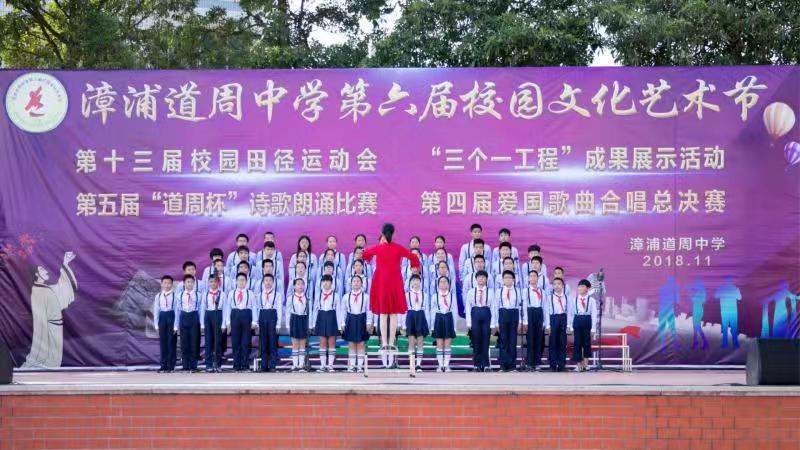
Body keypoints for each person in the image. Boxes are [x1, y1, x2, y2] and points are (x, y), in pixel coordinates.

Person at [362, 223, 421, 359]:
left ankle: (384, 343)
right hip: (394, 282)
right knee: (393, 313)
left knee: (383, 314)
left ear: (382, 234)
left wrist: (368, 256)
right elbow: (413, 256)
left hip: (381, 282)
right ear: (393, 233)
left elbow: (365, 255)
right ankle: (391, 343)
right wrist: (414, 267)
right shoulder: (398, 248)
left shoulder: (378, 248)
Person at [340, 275, 373, 373]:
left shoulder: (366, 297)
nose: (356, 283)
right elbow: (343, 311)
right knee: (351, 344)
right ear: (351, 283)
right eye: (354, 281)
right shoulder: (346, 297)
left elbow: (369, 310)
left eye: (358, 281)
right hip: (350, 319)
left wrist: (369, 322)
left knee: (361, 344)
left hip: (361, 319)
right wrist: (342, 323)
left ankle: (359, 366)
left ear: (361, 283)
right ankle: (352, 366)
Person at [224, 273, 256, 372]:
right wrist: (228, 322)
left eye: (243, 280)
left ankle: (245, 364)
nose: (241, 282)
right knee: (235, 341)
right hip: (235, 315)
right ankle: (236, 364)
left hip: (246, 315)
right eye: (239, 280)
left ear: (246, 282)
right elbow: (228, 307)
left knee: (246, 342)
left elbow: (254, 307)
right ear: (236, 281)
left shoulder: (250, 293)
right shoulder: (231, 293)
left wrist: (254, 321)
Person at [465, 270, 494, 372]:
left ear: (486, 279)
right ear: (476, 279)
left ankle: (486, 365)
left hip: (486, 313)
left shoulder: (490, 292)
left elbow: (493, 308)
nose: (481, 279)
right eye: (479, 277)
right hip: (475, 313)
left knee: (486, 340)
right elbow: (468, 307)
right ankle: (477, 364)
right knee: (476, 340)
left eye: (483, 277)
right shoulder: (471, 292)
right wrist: (469, 322)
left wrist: (493, 323)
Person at [312, 274, 341, 372]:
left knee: (332, 342)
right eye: (324, 281)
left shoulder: (336, 296)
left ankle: (330, 365)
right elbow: (315, 310)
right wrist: (313, 324)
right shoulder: (318, 295)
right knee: (322, 342)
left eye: (328, 281)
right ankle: (323, 365)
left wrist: (340, 325)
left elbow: (338, 311)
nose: (325, 283)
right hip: (321, 317)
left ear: (331, 283)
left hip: (332, 317)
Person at [494, 270, 522, 372]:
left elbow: (520, 307)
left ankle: (512, 366)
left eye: (510, 278)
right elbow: (495, 307)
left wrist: (520, 321)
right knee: (503, 341)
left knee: (512, 341)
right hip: (503, 314)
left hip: (514, 314)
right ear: (503, 280)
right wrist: (496, 322)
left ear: (513, 280)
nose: (508, 280)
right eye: (506, 278)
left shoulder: (518, 291)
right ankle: (503, 365)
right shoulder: (499, 291)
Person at [402, 274, 429, 373]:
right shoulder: (407, 295)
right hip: (411, 316)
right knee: (411, 342)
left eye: (417, 280)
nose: (416, 282)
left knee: (420, 342)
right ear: (411, 283)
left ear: (420, 282)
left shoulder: (424, 295)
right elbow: (404, 310)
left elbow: (426, 309)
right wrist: (403, 324)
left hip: (421, 316)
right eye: (414, 280)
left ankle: (418, 364)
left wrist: (428, 323)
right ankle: (412, 364)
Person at [569, 279, 598, 372]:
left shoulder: (591, 300)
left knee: (586, 343)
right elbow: (571, 314)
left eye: (582, 286)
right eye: (579, 286)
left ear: (587, 288)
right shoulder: (574, 299)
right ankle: (578, 365)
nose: (580, 288)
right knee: (577, 343)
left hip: (587, 320)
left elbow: (594, 314)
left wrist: (593, 328)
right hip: (577, 319)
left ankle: (585, 364)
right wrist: (570, 326)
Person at [256, 273, 282, 372]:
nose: (268, 282)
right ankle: (264, 365)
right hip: (262, 316)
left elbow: (279, 309)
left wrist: (278, 324)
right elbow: (257, 309)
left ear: (273, 282)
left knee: (272, 342)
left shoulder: (277, 295)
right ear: (263, 282)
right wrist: (257, 323)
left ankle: (272, 365)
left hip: (272, 316)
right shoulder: (259, 295)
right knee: (263, 342)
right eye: (266, 280)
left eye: (270, 280)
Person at [431, 276, 457, 372]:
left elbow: (455, 310)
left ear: (448, 284)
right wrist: (432, 325)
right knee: (439, 343)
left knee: (447, 343)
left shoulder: (452, 296)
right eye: (441, 282)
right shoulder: (435, 296)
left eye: (445, 282)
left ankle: (446, 365)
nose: (443, 283)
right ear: (438, 285)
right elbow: (432, 311)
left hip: (449, 317)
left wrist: (454, 326)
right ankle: (440, 365)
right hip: (438, 318)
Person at [175, 274, 201, 372]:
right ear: (184, 283)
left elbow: (201, 309)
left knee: (194, 342)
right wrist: (176, 325)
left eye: (191, 282)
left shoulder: (198, 295)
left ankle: (194, 365)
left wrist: (201, 323)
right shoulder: (179, 295)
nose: (190, 284)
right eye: (188, 282)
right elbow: (177, 310)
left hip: (194, 316)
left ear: (194, 283)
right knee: (184, 342)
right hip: (183, 317)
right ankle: (185, 365)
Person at [199, 274, 224, 373]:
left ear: (218, 283)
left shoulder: (222, 294)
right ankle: (208, 364)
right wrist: (202, 323)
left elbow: (225, 308)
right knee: (208, 341)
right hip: (208, 315)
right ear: (208, 282)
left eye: (215, 281)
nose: (213, 283)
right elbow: (202, 308)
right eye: (211, 281)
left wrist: (224, 323)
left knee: (218, 341)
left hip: (218, 314)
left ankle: (218, 364)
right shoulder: (205, 294)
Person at [153, 275, 177, 373]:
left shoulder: (175, 295)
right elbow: (156, 310)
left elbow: (177, 311)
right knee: (163, 343)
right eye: (165, 283)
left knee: (171, 342)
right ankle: (163, 365)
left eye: (169, 283)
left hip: (171, 316)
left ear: (172, 284)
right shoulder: (158, 296)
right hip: (162, 317)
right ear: (161, 284)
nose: (167, 285)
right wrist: (156, 325)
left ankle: (171, 366)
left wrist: (175, 326)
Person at [523, 270, 546, 371]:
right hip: (530, 313)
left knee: (538, 339)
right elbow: (524, 306)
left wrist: (545, 322)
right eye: (531, 276)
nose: (533, 278)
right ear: (528, 279)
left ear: (537, 278)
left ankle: (537, 362)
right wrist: (525, 321)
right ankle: (529, 362)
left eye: (534, 276)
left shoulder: (542, 292)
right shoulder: (525, 291)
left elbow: (545, 307)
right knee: (530, 339)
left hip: (539, 313)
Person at [286, 278, 311, 372]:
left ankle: (301, 365)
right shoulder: (290, 298)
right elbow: (287, 312)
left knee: (302, 344)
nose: (300, 286)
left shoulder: (307, 298)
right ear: (294, 286)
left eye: (302, 284)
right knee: (295, 344)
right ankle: (295, 365)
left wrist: (310, 325)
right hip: (294, 319)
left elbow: (310, 313)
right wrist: (288, 326)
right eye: (298, 284)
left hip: (303, 320)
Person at [546, 277, 569, 372]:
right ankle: (553, 365)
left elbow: (570, 312)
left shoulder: (567, 297)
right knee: (553, 343)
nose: (556, 286)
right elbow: (546, 311)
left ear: (563, 285)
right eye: (554, 284)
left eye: (559, 284)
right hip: (553, 319)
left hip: (563, 318)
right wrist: (548, 325)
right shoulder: (549, 297)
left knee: (562, 343)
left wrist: (569, 325)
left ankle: (561, 365)